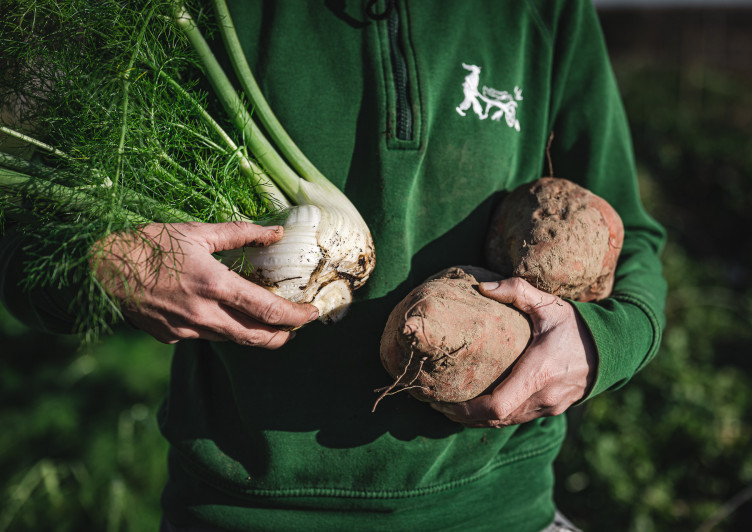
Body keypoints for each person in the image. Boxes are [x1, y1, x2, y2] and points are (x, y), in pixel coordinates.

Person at [0, 0, 667, 530]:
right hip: (243, 514)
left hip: (499, 510)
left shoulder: (538, 9)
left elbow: (630, 235)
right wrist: (107, 265)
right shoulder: (180, 11)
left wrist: (599, 342)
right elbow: (29, 236)